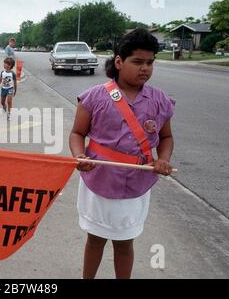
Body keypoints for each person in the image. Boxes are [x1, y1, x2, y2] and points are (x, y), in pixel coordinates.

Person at [69, 28, 175, 279]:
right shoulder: (95, 97)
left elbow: (166, 137)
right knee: (95, 239)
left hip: (136, 184)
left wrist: (163, 159)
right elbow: (77, 133)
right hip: (99, 180)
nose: (145, 68)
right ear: (119, 61)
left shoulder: (159, 99)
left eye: (150, 62)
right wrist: (79, 156)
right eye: (137, 62)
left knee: (125, 243)